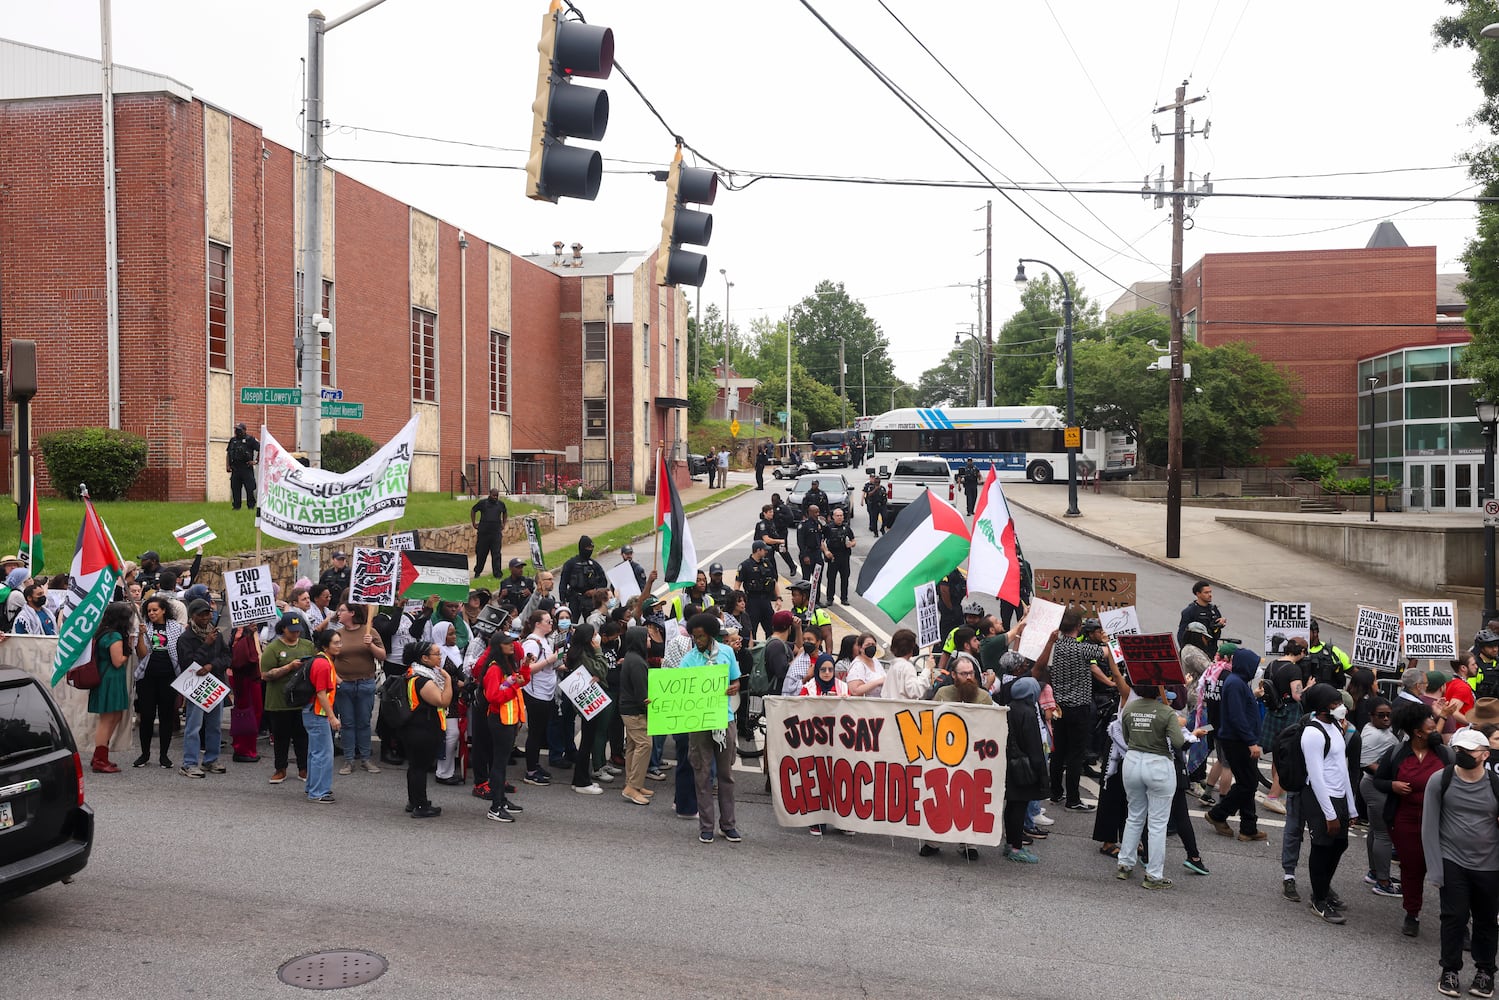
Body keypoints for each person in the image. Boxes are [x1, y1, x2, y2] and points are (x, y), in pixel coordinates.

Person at [1424, 728, 1499, 999]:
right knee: (1454, 917)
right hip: (1451, 859)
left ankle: (1485, 971)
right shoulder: (1440, 779)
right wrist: (1435, 869)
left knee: (1487, 920)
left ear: (1485, 755)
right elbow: (1429, 826)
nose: (1463, 755)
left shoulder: (1495, 784)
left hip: (1490, 865)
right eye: (1460, 750)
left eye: (1470, 751)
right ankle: (1450, 970)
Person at [1375, 699, 1454, 936]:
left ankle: (1457, 923)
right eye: (1430, 728)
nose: (1435, 731)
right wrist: (1393, 785)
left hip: (1441, 823)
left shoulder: (1445, 754)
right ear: (1417, 733)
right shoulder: (1397, 753)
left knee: (1450, 872)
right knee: (1412, 869)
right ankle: (1412, 913)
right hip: (1405, 821)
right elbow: (1378, 781)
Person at [1296, 682, 1359, 923]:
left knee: (1339, 845)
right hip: (1320, 798)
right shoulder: (1312, 733)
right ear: (1322, 707)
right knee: (1322, 848)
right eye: (1335, 704)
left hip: (1340, 795)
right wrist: (1330, 814)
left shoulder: (1335, 727)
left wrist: (1351, 807)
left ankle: (1323, 888)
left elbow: (1342, 769)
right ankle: (1319, 900)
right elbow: (1317, 776)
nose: (1341, 707)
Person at [1114, 686, 1188, 890]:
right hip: (1158, 765)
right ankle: (1153, 875)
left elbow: (1127, 737)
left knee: (1134, 815)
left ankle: (1124, 864)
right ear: (1158, 690)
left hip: (1133, 761)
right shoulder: (1165, 711)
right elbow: (1178, 741)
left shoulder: (1130, 708)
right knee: (1157, 823)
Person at [680, 614, 742, 845]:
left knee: (726, 775)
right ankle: (706, 826)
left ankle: (728, 825)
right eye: (694, 637)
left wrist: (733, 688)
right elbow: (677, 690)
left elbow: (736, 681)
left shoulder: (727, 653)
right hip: (699, 723)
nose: (697, 640)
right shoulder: (688, 659)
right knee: (702, 774)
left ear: (711, 634)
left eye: (701, 636)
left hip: (724, 720)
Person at [1035, 607, 1104, 812]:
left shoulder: (1056, 646)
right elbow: (1107, 653)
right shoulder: (1082, 648)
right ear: (1079, 627)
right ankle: (1073, 799)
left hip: (1059, 707)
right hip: (1079, 708)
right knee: (1075, 754)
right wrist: (1108, 638)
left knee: (1059, 752)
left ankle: (1056, 792)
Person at [1206, 648, 1266, 842]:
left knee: (1246, 782)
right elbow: (1236, 716)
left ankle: (1248, 828)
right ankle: (1218, 814)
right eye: (1255, 665)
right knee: (1248, 784)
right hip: (1237, 741)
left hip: (1240, 740)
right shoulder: (1234, 683)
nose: (1257, 670)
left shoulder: (1239, 682)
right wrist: (1250, 742)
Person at [399, 640, 455, 818]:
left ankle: (414, 801)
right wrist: (448, 680)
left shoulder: (413, 672)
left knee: (415, 766)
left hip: (414, 727)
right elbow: (442, 701)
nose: (440, 657)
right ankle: (421, 806)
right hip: (422, 729)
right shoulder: (423, 680)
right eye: (437, 654)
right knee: (420, 767)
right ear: (424, 658)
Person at [177, 598, 231, 778]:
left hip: (214, 683)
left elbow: (226, 658)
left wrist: (211, 666)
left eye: (208, 613)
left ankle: (211, 760)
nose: (207, 617)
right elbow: (187, 663)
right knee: (194, 725)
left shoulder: (217, 635)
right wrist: (205, 645)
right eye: (202, 614)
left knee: (215, 725)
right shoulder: (186, 638)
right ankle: (189, 763)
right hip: (196, 687)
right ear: (193, 616)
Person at [481, 636, 530, 823]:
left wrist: (525, 666)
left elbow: (522, 680)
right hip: (500, 720)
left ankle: (501, 800)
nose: (512, 646)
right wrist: (515, 685)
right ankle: (495, 807)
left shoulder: (506, 665)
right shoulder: (494, 668)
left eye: (512, 643)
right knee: (499, 764)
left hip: (509, 719)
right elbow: (493, 696)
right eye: (507, 643)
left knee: (501, 762)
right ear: (497, 647)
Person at [133, 595, 185, 769]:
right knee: (147, 716)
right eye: (149, 611)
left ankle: (164, 755)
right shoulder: (143, 627)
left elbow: (181, 650)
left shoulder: (176, 628)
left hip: (169, 677)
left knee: (166, 716)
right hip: (147, 678)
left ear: (163, 610)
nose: (152, 613)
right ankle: (144, 754)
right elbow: (140, 654)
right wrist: (140, 636)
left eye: (155, 610)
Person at [260, 612, 312, 783]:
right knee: (281, 737)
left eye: (298, 630)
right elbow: (265, 675)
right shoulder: (273, 648)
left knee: (301, 737)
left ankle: (303, 768)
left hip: (301, 700)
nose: (296, 634)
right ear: (283, 629)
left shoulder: (307, 645)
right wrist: (289, 667)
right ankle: (280, 769)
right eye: (292, 630)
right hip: (279, 701)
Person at [333, 607, 386, 776]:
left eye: (342, 610)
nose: (338, 613)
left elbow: (382, 656)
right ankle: (349, 759)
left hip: (365, 683)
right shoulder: (337, 634)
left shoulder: (370, 631)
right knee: (347, 723)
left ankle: (365, 758)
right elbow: (328, 657)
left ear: (352, 613)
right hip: (344, 684)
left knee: (364, 722)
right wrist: (335, 677)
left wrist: (370, 644)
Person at [1260, 637, 1309, 816]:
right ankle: (1273, 797)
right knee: (1286, 757)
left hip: (1273, 711)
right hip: (1288, 713)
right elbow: (1297, 695)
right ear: (1302, 652)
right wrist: (1308, 687)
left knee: (1277, 755)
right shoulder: (1294, 669)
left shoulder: (1273, 664)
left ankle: (1277, 791)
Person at [1358, 697, 1402, 898]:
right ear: (1371, 716)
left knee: (1376, 832)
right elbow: (1365, 763)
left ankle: (1375, 873)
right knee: (1383, 834)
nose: (1386, 719)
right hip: (1375, 786)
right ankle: (1383, 882)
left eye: (1389, 715)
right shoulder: (1374, 735)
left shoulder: (1374, 729)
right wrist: (1392, 778)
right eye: (1381, 715)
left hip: (1373, 785)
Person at [87, 601, 137, 774]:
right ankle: (100, 759)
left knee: (113, 717)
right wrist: (127, 650)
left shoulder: (103, 632)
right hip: (110, 678)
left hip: (107, 677)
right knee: (107, 720)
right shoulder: (114, 635)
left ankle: (100, 756)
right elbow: (118, 661)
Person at [1002, 677, 1048, 864]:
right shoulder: (1028, 712)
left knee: (1012, 806)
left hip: (1010, 764)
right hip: (1025, 767)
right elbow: (1034, 745)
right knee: (1019, 808)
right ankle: (1016, 847)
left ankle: (1010, 843)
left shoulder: (1009, 707)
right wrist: (1042, 773)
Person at [563, 623, 610, 795]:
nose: (597, 636)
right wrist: (598, 651)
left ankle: (579, 779)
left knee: (587, 741)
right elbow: (602, 669)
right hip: (588, 703)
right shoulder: (584, 654)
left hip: (588, 700)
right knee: (587, 742)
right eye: (594, 634)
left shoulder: (579, 652)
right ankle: (582, 782)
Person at [521, 610, 562, 786]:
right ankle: (530, 771)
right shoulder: (531, 644)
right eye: (547, 621)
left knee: (540, 732)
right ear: (537, 624)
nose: (551, 623)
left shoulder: (543, 640)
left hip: (545, 691)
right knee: (535, 733)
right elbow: (527, 669)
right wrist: (551, 660)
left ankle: (535, 765)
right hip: (535, 693)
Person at [303, 629, 342, 803]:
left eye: (340, 642)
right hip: (317, 712)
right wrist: (332, 717)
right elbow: (321, 693)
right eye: (336, 643)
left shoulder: (324, 660)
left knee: (316, 752)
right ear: (326, 646)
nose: (339, 645)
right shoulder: (323, 664)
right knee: (323, 753)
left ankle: (313, 787)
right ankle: (318, 791)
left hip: (314, 711)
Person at [617, 625, 653, 805]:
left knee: (632, 746)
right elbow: (642, 694)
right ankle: (632, 787)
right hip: (634, 711)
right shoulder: (637, 662)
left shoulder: (632, 658)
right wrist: (649, 705)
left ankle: (634, 783)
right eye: (646, 637)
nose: (650, 640)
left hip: (628, 708)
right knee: (645, 744)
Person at [429, 621, 464, 785]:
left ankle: (446, 769)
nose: (454, 636)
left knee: (452, 735)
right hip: (444, 699)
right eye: (450, 634)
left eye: (454, 633)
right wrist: (456, 683)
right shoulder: (437, 654)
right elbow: (436, 677)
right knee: (451, 735)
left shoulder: (455, 650)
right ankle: (442, 772)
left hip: (456, 699)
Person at [734, 542, 779, 642]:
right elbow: (737, 584)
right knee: (751, 629)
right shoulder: (745, 565)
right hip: (752, 601)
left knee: (771, 628)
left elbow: (774, 581)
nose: (766, 551)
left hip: (766, 601)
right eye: (764, 549)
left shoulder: (767, 563)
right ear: (758, 550)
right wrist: (737, 601)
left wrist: (778, 598)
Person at [559, 536, 608, 621]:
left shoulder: (594, 565)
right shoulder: (570, 564)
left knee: (592, 621)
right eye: (587, 548)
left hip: (590, 600)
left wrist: (595, 591)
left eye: (591, 548)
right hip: (575, 598)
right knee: (571, 622)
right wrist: (563, 601)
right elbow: (563, 582)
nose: (589, 550)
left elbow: (603, 582)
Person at [470, 487, 509, 579]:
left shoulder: (500, 504)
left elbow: (505, 512)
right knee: (481, 553)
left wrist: (503, 523)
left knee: (496, 554)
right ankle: (478, 572)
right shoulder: (483, 503)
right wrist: (474, 523)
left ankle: (497, 574)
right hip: (484, 533)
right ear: (490, 494)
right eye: (493, 495)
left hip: (496, 533)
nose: (495, 497)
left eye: (497, 496)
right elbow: (473, 510)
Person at [820, 507, 856, 606]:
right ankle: (829, 598)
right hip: (833, 556)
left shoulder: (846, 527)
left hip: (844, 556)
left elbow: (853, 540)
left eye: (841, 516)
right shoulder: (828, 528)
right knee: (831, 578)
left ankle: (844, 598)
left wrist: (851, 544)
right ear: (833, 517)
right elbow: (821, 541)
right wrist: (826, 551)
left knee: (845, 578)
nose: (839, 518)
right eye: (837, 516)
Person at [1304, 619, 1351, 689]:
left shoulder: (1332, 651)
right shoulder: (1296, 652)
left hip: (1331, 697)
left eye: (1305, 632)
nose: (1301, 635)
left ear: (1315, 632)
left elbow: (1355, 672)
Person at [787, 580, 832, 653]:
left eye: (795, 595)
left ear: (804, 596)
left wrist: (828, 657)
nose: (792, 598)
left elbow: (827, 637)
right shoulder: (791, 613)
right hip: (795, 653)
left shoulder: (819, 614)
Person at [1177, 580, 1226, 647]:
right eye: (1206, 592)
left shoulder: (1213, 609)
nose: (1210, 595)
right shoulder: (1190, 611)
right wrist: (1185, 650)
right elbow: (1181, 634)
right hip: (1197, 649)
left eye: (1210, 592)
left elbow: (1216, 627)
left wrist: (1221, 623)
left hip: (1212, 648)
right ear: (1198, 594)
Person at [884, 629, 927, 700]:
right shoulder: (907, 667)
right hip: (904, 709)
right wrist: (927, 670)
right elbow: (915, 691)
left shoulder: (894, 665)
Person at [226, 422, 260, 511]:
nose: (237, 431)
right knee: (235, 489)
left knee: (250, 488)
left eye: (239, 430)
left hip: (246, 468)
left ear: (244, 430)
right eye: (236, 430)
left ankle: (251, 506)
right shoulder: (233, 440)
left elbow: (262, 449)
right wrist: (228, 465)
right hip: (235, 469)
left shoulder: (250, 440)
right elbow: (228, 453)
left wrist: (256, 461)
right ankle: (236, 507)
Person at [797, 504, 825, 582]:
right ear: (810, 513)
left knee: (817, 579)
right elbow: (800, 542)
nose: (818, 514)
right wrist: (805, 555)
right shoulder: (804, 525)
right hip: (808, 553)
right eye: (815, 512)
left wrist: (824, 524)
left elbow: (827, 534)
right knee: (806, 579)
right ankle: (806, 594)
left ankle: (816, 594)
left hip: (817, 553)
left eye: (818, 512)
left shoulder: (818, 523)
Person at [862, 470, 887, 535]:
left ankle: (882, 528)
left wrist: (884, 493)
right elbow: (869, 494)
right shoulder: (871, 487)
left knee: (885, 518)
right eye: (876, 481)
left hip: (882, 505)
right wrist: (875, 489)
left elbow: (885, 495)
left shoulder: (882, 488)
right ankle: (875, 532)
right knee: (874, 519)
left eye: (878, 482)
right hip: (874, 505)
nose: (877, 483)